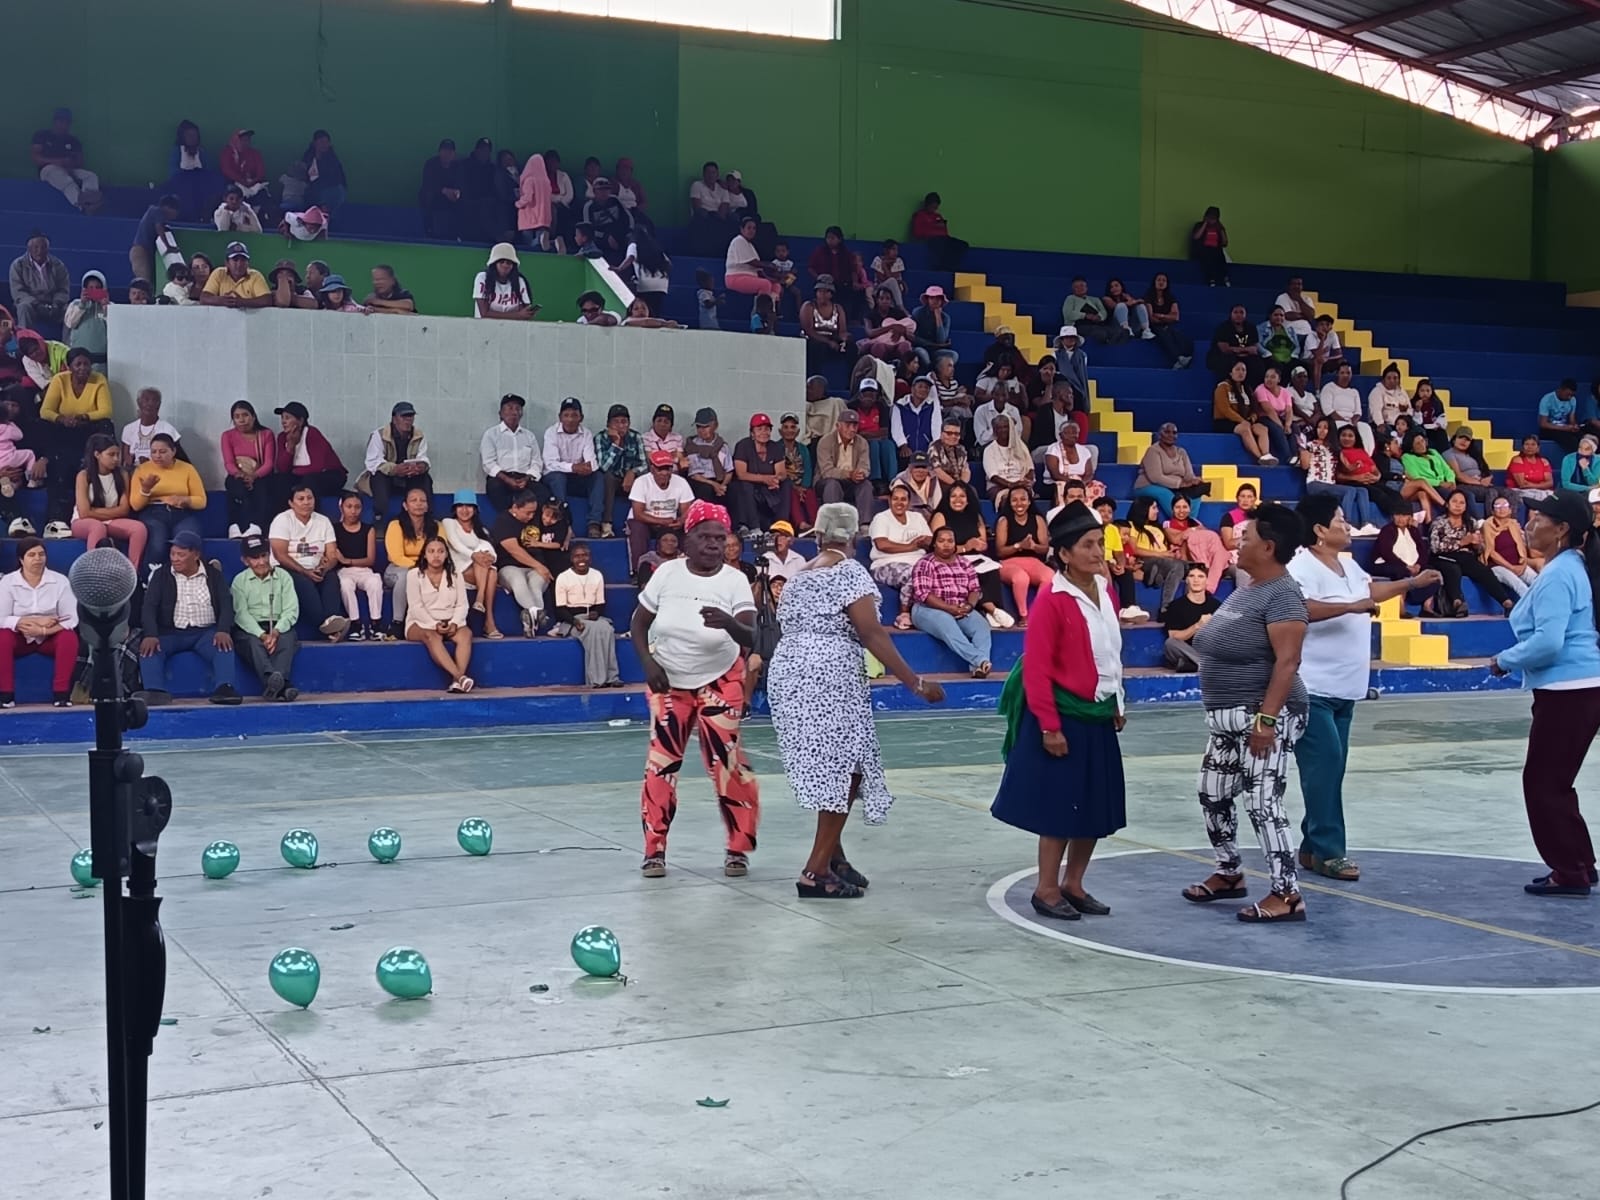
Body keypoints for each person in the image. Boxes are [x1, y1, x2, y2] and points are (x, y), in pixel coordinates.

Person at [768, 502, 945, 897]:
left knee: (829, 763)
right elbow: (870, 632)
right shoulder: (848, 571)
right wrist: (914, 682)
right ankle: (815, 871)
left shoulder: (798, 577)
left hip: (789, 672)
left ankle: (834, 857)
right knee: (846, 769)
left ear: (817, 535)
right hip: (829, 673)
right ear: (853, 537)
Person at [1289, 494, 1442, 882]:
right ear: (1319, 530)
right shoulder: (1300, 566)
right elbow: (1300, 608)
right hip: (1313, 687)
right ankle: (1330, 850)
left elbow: (1369, 591)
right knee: (1324, 766)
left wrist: (1411, 582)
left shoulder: (1347, 564)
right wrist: (1349, 607)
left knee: (1331, 769)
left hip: (1345, 687)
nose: (1347, 525)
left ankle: (1311, 845)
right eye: (1340, 520)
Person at [990, 500, 1128, 917]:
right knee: (1060, 807)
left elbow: (1110, 652)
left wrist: (1117, 699)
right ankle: (1046, 889)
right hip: (1065, 717)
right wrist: (1049, 726)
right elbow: (1037, 668)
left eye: (1099, 543)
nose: (1097, 552)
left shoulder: (1105, 590)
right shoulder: (1052, 598)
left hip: (1098, 712)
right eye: (1087, 545)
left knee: (1094, 805)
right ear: (1064, 554)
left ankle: (1074, 884)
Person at [1181, 504, 1308, 922]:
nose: (1238, 541)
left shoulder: (1283, 594)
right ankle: (1229, 872)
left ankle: (1287, 894)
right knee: (1213, 792)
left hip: (1262, 716)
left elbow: (1288, 662)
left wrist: (1266, 721)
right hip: (1226, 719)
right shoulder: (1249, 588)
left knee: (1263, 802)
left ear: (1268, 547)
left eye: (1247, 537)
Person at [631, 500, 761, 878]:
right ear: (687, 538)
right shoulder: (667, 573)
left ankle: (738, 848)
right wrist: (648, 663)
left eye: (721, 538)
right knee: (661, 764)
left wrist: (729, 624)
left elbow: (751, 636)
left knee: (727, 764)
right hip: (668, 681)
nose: (714, 544)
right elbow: (639, 623)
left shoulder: (734, 580)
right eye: (705, 537)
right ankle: (654, 849)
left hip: (720, 680)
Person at [1488, 493, 1600, 896]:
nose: (1529, 524)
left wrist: (1504, 660)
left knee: (1543, 784)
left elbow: (1549, 642)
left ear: (1561, 529)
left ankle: (1569, 871)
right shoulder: (1571, 566)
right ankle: (1580, 863)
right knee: (1556, 781)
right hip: (1579, 688)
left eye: (1537, 519)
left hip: (1567, 689)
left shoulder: (1558, 574)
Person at [137, 531, 240, 706]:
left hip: (204, 633)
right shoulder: (161, 575)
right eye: (173, 554)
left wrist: (223, 629)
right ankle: (155, 691)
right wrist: (150, 634)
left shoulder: (213, 575)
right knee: (150, 649)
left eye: (181, 555)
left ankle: (225, 688)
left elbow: (226, 604)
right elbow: (149, 607)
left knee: (223, 646)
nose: (175, 559)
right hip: (170, 633)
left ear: (196, 555)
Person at [0, 537, 79, 707]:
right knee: (2, 637)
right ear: (21, 559)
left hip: (50, 636)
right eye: (32, 555)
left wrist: (43, 631)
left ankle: (61, 695)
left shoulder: (60, 581)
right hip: (20, 636)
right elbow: (1, 617)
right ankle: (5, 696)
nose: (38, 559)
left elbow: (71, 618)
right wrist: (28, 621)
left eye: (41, 554)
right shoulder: (8, 582)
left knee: (68, 637)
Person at [268, 483, 350, 641]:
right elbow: (280, 555)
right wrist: (305, 571)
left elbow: (332, 554)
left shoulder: (323, 521)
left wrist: (325, 568)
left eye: (309, 498)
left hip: (315, 566)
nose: (306, 502)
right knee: (304, 584)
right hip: (288, 567)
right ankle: (328, 627)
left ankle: (332, 620)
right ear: (291, 503)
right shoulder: (282, 520)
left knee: (331, 577)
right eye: (301, 499)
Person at [231, 534, 300, 701]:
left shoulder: (283, 577)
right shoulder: (239, 581)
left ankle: (274, 686)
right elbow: (241, 614)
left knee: (287, 638)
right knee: (252, 643)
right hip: (250, 629)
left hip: (277, 626)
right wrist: (262, 635)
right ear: (245, 561)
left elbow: (291, 610)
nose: (261, 562)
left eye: (264, 555)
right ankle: (279, 684)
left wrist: (275, 632)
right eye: (255, 558)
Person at [406, 536, 476, 693]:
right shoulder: (414, 575)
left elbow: (462, 604)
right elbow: (416, 607)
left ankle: (457, 683)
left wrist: (455, 623)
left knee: (466, 634)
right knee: (431, 636)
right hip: (420, 622)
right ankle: (460, 677)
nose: (436, 555)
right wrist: (433, 625)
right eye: (431, 551)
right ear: (425, 554)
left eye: (440, 551)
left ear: (446, 555)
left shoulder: (455, 574)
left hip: (450, 620)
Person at [1430, 490, 1515, 616]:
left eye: (1462, 503)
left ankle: (1506, 603)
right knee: (1452, 569)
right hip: (1443, 557)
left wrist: (1476, 545)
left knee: (1484, 571)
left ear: (1466, 506)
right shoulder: (1439, 523)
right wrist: (1462, 542)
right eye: (1454, 502)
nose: (1458, 505)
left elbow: (1480, 549)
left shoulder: (1471, 523)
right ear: (1447, 504)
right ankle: (1457, 603)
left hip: (1465, 558)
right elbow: (1434, 547)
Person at [129, 434, 204, 568]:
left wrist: (185, 500)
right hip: (153, 512)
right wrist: (146, 489)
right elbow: (135, 505)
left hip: (181, 513)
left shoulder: (187, 469)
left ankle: (199, 572)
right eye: (153, 452)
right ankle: (149, 577)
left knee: (188, 541)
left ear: (173, 451)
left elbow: (201, 501)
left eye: (162, 452)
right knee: (157, 544)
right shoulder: (142, 469)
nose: (157, 456)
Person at [553, 543, 622, 688]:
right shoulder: (563, 577)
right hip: (572, 619)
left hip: (592, 617)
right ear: (572, 559)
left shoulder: (597, 575)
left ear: (590, 558)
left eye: (585, 555)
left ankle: (612, 677)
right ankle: (597, 680)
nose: (581, 559)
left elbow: (600, 603)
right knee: (593, 631)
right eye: (577, 556)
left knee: (607, 629)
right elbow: (560, 609)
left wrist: (597, 612)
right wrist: (574, 621)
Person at [72, 434, 145, 566]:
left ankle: (132, 572)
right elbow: (84, 513)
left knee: (139, 529)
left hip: (111, 521)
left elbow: (124, 510)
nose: (116, 459)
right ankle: (95, 569)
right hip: (82, 522)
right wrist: (112, 511)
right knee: (97, 527)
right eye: (111, 455)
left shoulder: (122, 474)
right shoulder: (83, 476)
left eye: (118, 454)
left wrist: (94, 511)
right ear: (97, 454)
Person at [868, 483, 931, 630]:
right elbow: (882, 545)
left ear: (909, 502)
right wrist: (912, 546)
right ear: (890, 500)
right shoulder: (881, 518)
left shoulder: (917, 517)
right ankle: (904, 614)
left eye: (903, 499)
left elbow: (929, 540)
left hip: (919, 562)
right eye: (895, 499)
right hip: (885, 565)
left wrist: (924, 542)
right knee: (914, 573)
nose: (899, 503)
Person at [359, 402, 433, 525]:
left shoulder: (419, 435)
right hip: (388, 477)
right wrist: (394, 469)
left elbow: (423, 457)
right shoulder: (379, 435)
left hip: (409, 477)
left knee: (425, 478)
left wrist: (422, 466)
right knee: (378, 477)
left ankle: (427, 519)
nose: (408, 420)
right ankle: (379, 519)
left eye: (411, 416)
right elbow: (372, 463)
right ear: (394, 419)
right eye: (404, 416)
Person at [441, 491, 502, 639]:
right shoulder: (448, 523)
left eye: (469, 506)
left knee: (491, 571)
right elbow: (456, 544)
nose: (464, 510)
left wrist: (490, 557)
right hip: (458, 569)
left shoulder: (481, 530)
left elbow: (491, 551)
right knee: (484, 564)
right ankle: (487, 618)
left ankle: (484, 611)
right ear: (455, 509)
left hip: (479, 572)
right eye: (460, 506)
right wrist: (474, 555)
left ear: (475, 509)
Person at [382, 486, 436, 638]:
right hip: (397, 569)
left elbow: (440, 550)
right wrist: (421, 569)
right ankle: (397, 623)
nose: (419, 503)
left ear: (427, 505)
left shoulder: (436, 526)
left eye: (422, 500)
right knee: (408, 575)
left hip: (428, 569)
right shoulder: (396, 525)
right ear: (405, 505)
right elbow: (396, 557)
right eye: (413, 500)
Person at [544, 397, 605, 533]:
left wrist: (588, 468)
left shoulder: (586, 433)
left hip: (577, 477)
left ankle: (594, 523)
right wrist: (573, 467)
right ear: (560, 417)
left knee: (598, 477)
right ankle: (564, 524)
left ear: (581, 418)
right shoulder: (551, 433)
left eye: (574, 415)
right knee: (558, 477)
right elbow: (550, 463)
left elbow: (592, 462)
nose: (570, 419)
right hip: (556, 478)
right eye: (566, 415)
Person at [993, 485, 1052, 624]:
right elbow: (1000, 552)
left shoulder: (1038, 519)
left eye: (1023, 499)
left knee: (1049, 576)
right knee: (1021, 577)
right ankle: (1023, 616)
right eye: (1014, 500)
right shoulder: (1004, 521)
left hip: (1033, 561)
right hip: (1008, 563)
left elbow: (1044, 548)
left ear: (1029, 501)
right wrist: (1019, 546)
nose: (1019, 503)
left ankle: (1037, 613)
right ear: (1009, 502)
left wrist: (1033, 546)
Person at [627, 449, 694, 569]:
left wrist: (681, 521)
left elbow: (687, 511)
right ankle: (639, 570)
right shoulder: (641, 482)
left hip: (670, 523)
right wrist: (662, 521)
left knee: (689, 529)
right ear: (652, 469)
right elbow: (638, 514)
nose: (664, 473)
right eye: (660, 469)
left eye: (668, 469)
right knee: (638, 530)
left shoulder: (681, 482)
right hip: (645, 521)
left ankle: (686, 569)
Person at [331, 491, 384, 641]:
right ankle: (355, 624)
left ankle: (376, 623)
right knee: (345, 584)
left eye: (357, 507)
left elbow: (370, 560)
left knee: (375, 582)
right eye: (349, 507)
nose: (353, 511)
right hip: (344, 571)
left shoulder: (368, 529)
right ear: (341, 507)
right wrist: (344, 563)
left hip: (364, 570)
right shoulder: (334, 529)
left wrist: (347, 560)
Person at [479, 393, 545, 512]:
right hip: (501, 478)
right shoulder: (491, 434)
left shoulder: (529, 436)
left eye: (517, 409)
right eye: (509, 408)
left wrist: (527, 478)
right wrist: (507, 479)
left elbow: (537, 462)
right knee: (495, 487)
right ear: (501, 413)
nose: (514, 412)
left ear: (521, 414)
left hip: (524, 478)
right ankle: (509, 518)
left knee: (543, 492)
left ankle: (531, 521)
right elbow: (488, 463)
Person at [273, 402, 347, 503]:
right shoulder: (282, 437)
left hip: (330, 474)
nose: (283, 422)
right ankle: (284, 513)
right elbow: (282, 468)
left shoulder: (312, 433)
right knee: (279, 480)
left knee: (308, 481)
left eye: (287, 418)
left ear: (300, 421)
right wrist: (290, 447)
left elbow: (317, 467)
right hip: (301, 475)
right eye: (282, 418)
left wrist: (293, 472)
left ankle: (312, 512)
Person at [815, 408, 875, 529]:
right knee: (832, 485)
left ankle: (865, 524)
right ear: (838, 426)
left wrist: (861, 473)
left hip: (852, 481)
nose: (852, 429)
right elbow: (826, 471)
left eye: (855, 425)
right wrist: (849, 474)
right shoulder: (825, 441)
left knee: (866, 485)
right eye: (848, 425)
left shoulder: (862, 442)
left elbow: (865, 466)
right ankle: (835, 525)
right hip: (827, 481)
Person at [1133, 424, 1210, 517]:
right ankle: (1179, 519)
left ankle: (1190, 520)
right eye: (1167, 432)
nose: (1171, 435)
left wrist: (1194, 481)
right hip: (1148, 486)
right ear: (1160, 434)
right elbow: (1156, 477)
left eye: (1174, 433)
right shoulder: (1153, 451)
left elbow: (1188, 475)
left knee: (1197, 491)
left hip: (1174, 487)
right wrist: (1180, 484)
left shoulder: (1181, 452)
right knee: (1164, 493)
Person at [32, 108, 100, 213]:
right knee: (66, 180)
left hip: (69, 168)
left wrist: (69, 164)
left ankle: (91, 203)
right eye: (61, 121)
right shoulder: (42, 135)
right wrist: (57, 162)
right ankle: (83, 207)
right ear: (55, 121)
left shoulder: (73, 141)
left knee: (91, 176)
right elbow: (36, 158)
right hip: (48, 169)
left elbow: (80, 162)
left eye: (66, 122)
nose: (63, 125)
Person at [9, 232, 70, 338]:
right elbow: (18, 292)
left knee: (71, 310)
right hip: (32, 306)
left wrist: (57, 304)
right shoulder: (18, 265)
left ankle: (68, 344)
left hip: (53, 306)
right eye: (36, 247)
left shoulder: (58, 265)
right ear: (29, 248)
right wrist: (36, 304)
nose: (40, 251)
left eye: (43, 247)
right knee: (23, 307)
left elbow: (63, 289)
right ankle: (25, 342)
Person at [1214, 360, 1275, 465]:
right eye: (1237, 369)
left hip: (1244, 420)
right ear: (1230, 372)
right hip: (1225, 421)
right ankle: (1260, 457)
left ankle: (1266, 454)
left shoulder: (1247, 388)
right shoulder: (1222, 387)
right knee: (1245, 428)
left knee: (1262, 428)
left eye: (1243, 370)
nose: (1241, 372)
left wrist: (1253, 417)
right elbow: (1225, 410)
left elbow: (1254, 409)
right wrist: (1242, 421)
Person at [1162, 565, 1217, 671]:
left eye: (1200, 576)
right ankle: (1206, 665)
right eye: (1192, 576)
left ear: (1207, 581)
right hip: (1186, 650)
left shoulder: (1216, 605)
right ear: (1187, 580)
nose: (1196, 580)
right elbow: (1174, 636)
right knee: (1170, 643)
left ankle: (1193, 665)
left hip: (1208, 651)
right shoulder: (1176, 606)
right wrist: (1197, 626)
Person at [725, 215, 782, 303]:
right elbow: (752, 262)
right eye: (749, 228)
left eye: (754, 228)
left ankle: (772, 308)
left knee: (776, 285)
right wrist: (769, 265)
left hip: (751, 276)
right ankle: (760, 310)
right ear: (742, 229)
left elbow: (759, 270)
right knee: (765, 284)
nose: (752, 230)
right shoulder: (738, 240)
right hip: (735, 277)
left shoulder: (750, 245)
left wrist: (772, 278)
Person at [1401, 430, 1455, 522]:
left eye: (1422, 441)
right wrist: (1439, 483)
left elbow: (1447, 469)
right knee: (1449, 495)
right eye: (1417, 443)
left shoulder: (1433, 452)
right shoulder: (1407, 457)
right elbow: (1416, 477)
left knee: (1467, 495)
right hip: (1432, 486)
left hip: (1446, 483)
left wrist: (1451, 481)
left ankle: (1473, 522)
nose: (1422, 445)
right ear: (1411, 447)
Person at [121, 387, 182, 467]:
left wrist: (150, 463)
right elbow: (125, 459)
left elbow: (178, 460)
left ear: (159, 405)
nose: (150, 404)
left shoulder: (168, 429)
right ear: (139, 403)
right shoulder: (128, 429)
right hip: (134, 471)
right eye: (146, 400)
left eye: (154, 400)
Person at [474, 243, 537, 320]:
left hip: (513, 327)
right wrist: (518, 315)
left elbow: (524, 313)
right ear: (494, 264)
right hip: (485, 326)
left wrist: (525, 314)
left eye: (509, 263)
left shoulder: (519, 281)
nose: (505, 265)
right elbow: (484, 313)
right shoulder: (482, 278)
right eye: (501, 262)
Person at [1144, 272, 1194, 369]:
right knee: (1163, 334)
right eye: (1159, 280)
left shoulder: (1170, 298)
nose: (1161, 282)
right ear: (1154, 282)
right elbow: (1152, 318)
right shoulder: (1149, 296)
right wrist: (1167, 317)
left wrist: (1161, 316)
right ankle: (1178, 358)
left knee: (1179, 336)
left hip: (1166, 325)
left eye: (1164, 280)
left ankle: (1181, 359)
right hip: (1153, 327)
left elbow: (1176, 317)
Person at [909, 192, 967, 271]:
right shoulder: (919, 215)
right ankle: (942, 267)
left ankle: (951, 267)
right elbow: (917, 233)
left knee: (962, 245)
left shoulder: (938, 216)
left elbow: (945, 231)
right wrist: (933, 229)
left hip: (943, 239)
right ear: (927, 204)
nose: (934, 209)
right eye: (932, 207)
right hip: (929, 240)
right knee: (941, 244)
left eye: (936, 207)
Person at [62, 271, 109, 368]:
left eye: (97, 288)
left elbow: (115, 329)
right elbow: (70, 323)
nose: (94, 290)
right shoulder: (75, 304)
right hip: (78, 360)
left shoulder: (111, 307)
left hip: (101, 360)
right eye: (90, 288)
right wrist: (82, 305)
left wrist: (106, 308)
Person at [420, 138, 464, 238]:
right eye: (444, 151)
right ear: (439, 152)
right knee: (429, 195)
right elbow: (428, 184)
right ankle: (432, 232)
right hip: (435, 200)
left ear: (454, 154)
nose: (447, 154)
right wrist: (444, 191)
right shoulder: (431, 164)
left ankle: (458, 236)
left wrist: (457, 192)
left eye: (450, 151)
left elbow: (461, 184)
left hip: (453, 201)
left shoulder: (458, 166)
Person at [132, 194, 181, 282]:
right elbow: (159, 229)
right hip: (141, 251)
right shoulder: (157, 212)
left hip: (142, 251)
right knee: (144, 280)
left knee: (148, 280)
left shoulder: (152, 212)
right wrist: (168, 246)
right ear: (167, 207)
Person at [1206, 305, 1259, 382]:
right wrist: (1245, 350)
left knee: (1257, 364)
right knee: (1227, 362)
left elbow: (1254, 349)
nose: (1238, 315)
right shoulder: (1223, 327)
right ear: (1231, 314)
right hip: (1224, 356)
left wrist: (1236, 350)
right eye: (1235, 312)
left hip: (1245, 356)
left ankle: (1251, 387)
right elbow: (1225, 349)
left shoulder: (1251, 328)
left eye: (1241, 312)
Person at [300, 129, 347, 213]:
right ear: (315, 143)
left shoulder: (332, 159)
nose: (324, 145)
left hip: (331, 190)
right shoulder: (308, 156)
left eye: (326, 142)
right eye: (321, 142)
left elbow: (332, 178)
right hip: (312, 191)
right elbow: (305, 174)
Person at [911, 285, 955, 367]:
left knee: (953, 355)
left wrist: (938, 317)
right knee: (923, 354)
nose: (935, 301)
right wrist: (931, 344)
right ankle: (930, 371)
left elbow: (941, 340)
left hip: (936, 350)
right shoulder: (918, 313)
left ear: (942, 301)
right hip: (920, 346)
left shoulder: (945, 317)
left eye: (938, 298)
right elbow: (913, 337)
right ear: (927, 299)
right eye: (932, 298)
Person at [1506, 434, 1556, 505]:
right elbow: (1522, 485)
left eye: (1533, 444)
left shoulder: (1544, 461)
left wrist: (1532, 485)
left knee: (1556, 497)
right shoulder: (1517, 460)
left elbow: (1550, 483)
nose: (1530, 447)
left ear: (1538, 448)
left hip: (1540, 491)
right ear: (1522, 447)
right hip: (1519, 491)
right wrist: (1541, 484)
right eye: (1527, 444)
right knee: (1539, 498)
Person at [1538, 379, 1582, 453]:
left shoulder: (1573, 400)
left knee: (1583, 437)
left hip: (1565, 428)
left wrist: (1574, 426)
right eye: (1568, 394)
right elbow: (1543, 424)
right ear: (1561, 389)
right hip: (1549, 429)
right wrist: (1564, 428)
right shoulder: (1547, 399)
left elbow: (1572, 419)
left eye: (1572, 395)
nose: (1569, 397)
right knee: (1571, 441)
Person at [1190, 206, 1229, 285]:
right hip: (1203, 250)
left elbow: (1225, 243)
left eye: (1214, 218)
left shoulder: (1218, 228)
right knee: (1208, 255)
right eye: (1210, 218)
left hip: (1216, 251)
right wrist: (1205, 224)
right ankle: (1211, 279)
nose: (1212, 220)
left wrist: (1221, 229)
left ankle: (1225, 278)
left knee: (1220, 255)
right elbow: (1196, 237)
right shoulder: (1199, 225)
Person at [1559, 434, 1600, 499]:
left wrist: (1585, 469)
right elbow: (1566, 484)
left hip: (1591, 493)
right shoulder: (1568, 459)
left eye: (1587, 449)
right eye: (1580, 447)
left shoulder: (1598, 460)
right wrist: (1587, 488)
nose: (1582, 451)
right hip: (1570, 492)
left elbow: (1594, 483)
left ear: (1593, 450)